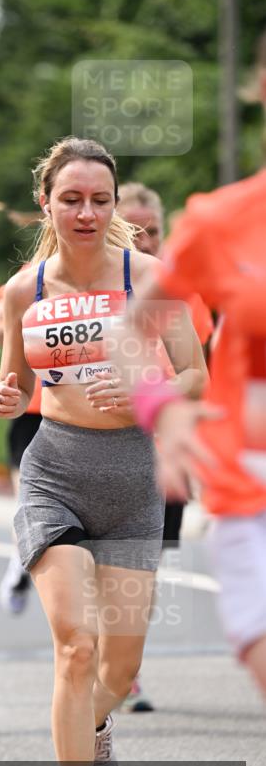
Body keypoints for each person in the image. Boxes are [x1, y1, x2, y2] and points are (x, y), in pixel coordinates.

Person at [0, 136, 207, 766]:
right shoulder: (25, 290)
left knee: (117, 667)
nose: (85, 211)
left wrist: (146, 391)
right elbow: (16, 384)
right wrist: (5, 394)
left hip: (133, 478)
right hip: (55, 469)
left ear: (114, 206)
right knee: (73, 647)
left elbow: (194, 375)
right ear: (44, 203)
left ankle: (97, 726)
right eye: (71, 198)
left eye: (99, 199)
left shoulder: (149, 278)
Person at [116, 183, 215, 713]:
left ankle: (125, 670)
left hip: (163, 451)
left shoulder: (183, 291)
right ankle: (92, 660)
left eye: (151, 231)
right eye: (131, 231)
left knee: (144, 569)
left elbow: (198, 375)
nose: (143, 240)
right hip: (91, 448)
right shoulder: (86, 283)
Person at [0, 275, 42, 614]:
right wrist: (40, 320)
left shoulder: (126, 272)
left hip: (96, 412)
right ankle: (22, 558)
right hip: (31, 412)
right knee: (31, 508)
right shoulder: (31, 278)